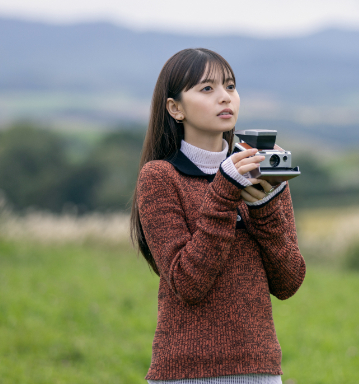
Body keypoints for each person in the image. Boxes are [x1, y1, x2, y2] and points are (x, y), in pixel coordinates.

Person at [130, 48, 306, 383]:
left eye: (230, 86)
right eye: (207, 89)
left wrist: (263, 208)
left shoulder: (264, 173)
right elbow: (187, 283)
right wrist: (224, 190)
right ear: (175, 108)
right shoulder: (159, 178)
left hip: (260, 369)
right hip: (184, 373)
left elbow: (289, 282)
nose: (225, 97)